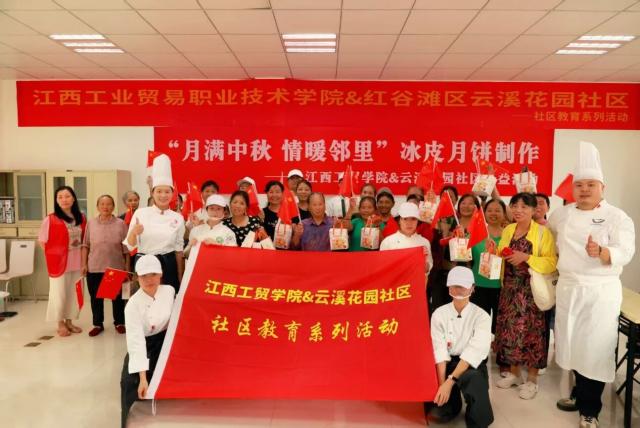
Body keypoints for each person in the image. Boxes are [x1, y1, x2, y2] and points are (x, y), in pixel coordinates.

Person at [549, 142, 635, 428]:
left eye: (590, 185)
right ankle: (578, 392)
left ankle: (590, 410)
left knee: (594, 349)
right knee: (572, 345)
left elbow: (626, 250)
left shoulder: (617, 217)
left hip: (599, 292)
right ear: (572, 189)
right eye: (579, 185)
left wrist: (604, 252)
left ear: (602, 187)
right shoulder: (563, 214)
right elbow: (547, 230)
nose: (584, 190)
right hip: (569, 289)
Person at [494, 192, 557, 400]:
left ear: (533, 210)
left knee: (533, 335)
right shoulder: (509, 229)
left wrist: (527, 257)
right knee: (510, 332)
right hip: (509, 289)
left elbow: (551, 262)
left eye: (524, 206)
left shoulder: (542, 233)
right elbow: (502, 253)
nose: (518, 210)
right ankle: (514, 374)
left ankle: (532, 380)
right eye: (515, 206)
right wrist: (495, 251)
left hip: (531, 291)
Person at [427, 266, 494, 428]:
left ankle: (475, 412)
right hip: (447, 363)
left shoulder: (482, 316)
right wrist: (442, 385)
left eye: (462, 286)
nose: (458, 290)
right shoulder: (439, 314)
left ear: (472, 288)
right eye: (454, 286)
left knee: (474, 380)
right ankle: (452, 403)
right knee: (438, 411)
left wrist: (450, 382)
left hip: (470, 365)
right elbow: (439, 350)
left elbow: (473, 353)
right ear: (448, 287)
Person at [120, 254, 174, 428]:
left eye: (153, 274)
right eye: (144, 276)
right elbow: (136, 342)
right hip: (145, 345)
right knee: (132, 385)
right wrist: (142, 377)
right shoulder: (132, 305)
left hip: (165, 343)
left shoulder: (169, 291)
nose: (149, 280)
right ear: (137, 277)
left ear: (161, 274)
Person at [124, 154, 185, 294]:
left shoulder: (178, 218)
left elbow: (178, 251)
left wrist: (180, 277)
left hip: (168, 266)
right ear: (153, 193)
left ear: (172, 194)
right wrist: (134, 232)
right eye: (159, 191)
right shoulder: (140, 213)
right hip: (145, 265)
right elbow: (130, 245)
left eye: (167, 191)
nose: (163, 195)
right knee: (146, 300)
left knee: (168, 299)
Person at [38, 186, 86, 337]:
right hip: (59, 263)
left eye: (67, 196)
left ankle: (69, 321)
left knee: (74, 293)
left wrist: (85, 262)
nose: (64, 200)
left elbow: (85, 240)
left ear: (73, 199)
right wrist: (56, 254)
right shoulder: (50, 219)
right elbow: (42, 241)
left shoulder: (81, 218)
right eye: (60, 197)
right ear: (56, 200)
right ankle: (60, 323)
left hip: (77, 261)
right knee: (59, 294)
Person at [81, 195, 129, 337]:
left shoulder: (120, 223)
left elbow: (126, 249)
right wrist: (84, 264)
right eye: (102, 204)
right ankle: (97, 324)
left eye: (108, 204)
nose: (105, 207)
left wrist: (127, 268)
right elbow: (85, 245)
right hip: (94, 266)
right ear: (97, 207)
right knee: (96, 298)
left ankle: (119, 322)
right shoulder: (91, 223)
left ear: (113, 207)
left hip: (114, 267)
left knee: (117, 298)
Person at [380, 202, 432, 274]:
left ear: (418, 221)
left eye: (413, 219)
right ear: (399, 220)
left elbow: (428, 266)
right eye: (405, 219)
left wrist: (425, 265)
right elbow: (382, 268)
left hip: (416, 280)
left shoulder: (424, 242)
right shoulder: (387, 242)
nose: (409, 223)